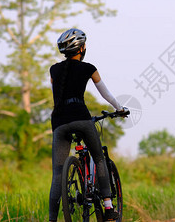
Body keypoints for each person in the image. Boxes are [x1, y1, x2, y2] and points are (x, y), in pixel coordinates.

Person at [48, 28, 127, 222]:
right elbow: (105, 94)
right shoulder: (89, 68)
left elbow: (56, 95)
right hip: (81, 119)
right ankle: (108, 207)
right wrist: (120, 109)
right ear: (81, 48)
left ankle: (51, 219)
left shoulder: (54, 70)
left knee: (58, 172)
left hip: (59, 122)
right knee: (99, 158)